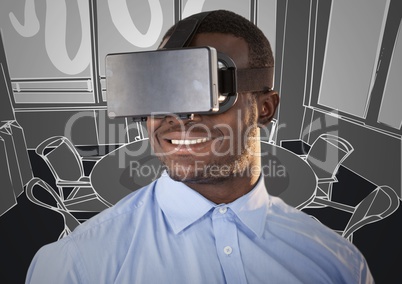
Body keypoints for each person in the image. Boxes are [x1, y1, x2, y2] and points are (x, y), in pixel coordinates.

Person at [26, 10, 373, 283]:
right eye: (162, 90)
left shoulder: (338, 265)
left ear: (264, 108)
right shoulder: (75, 266)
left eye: (211, 90)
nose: (179, 117)